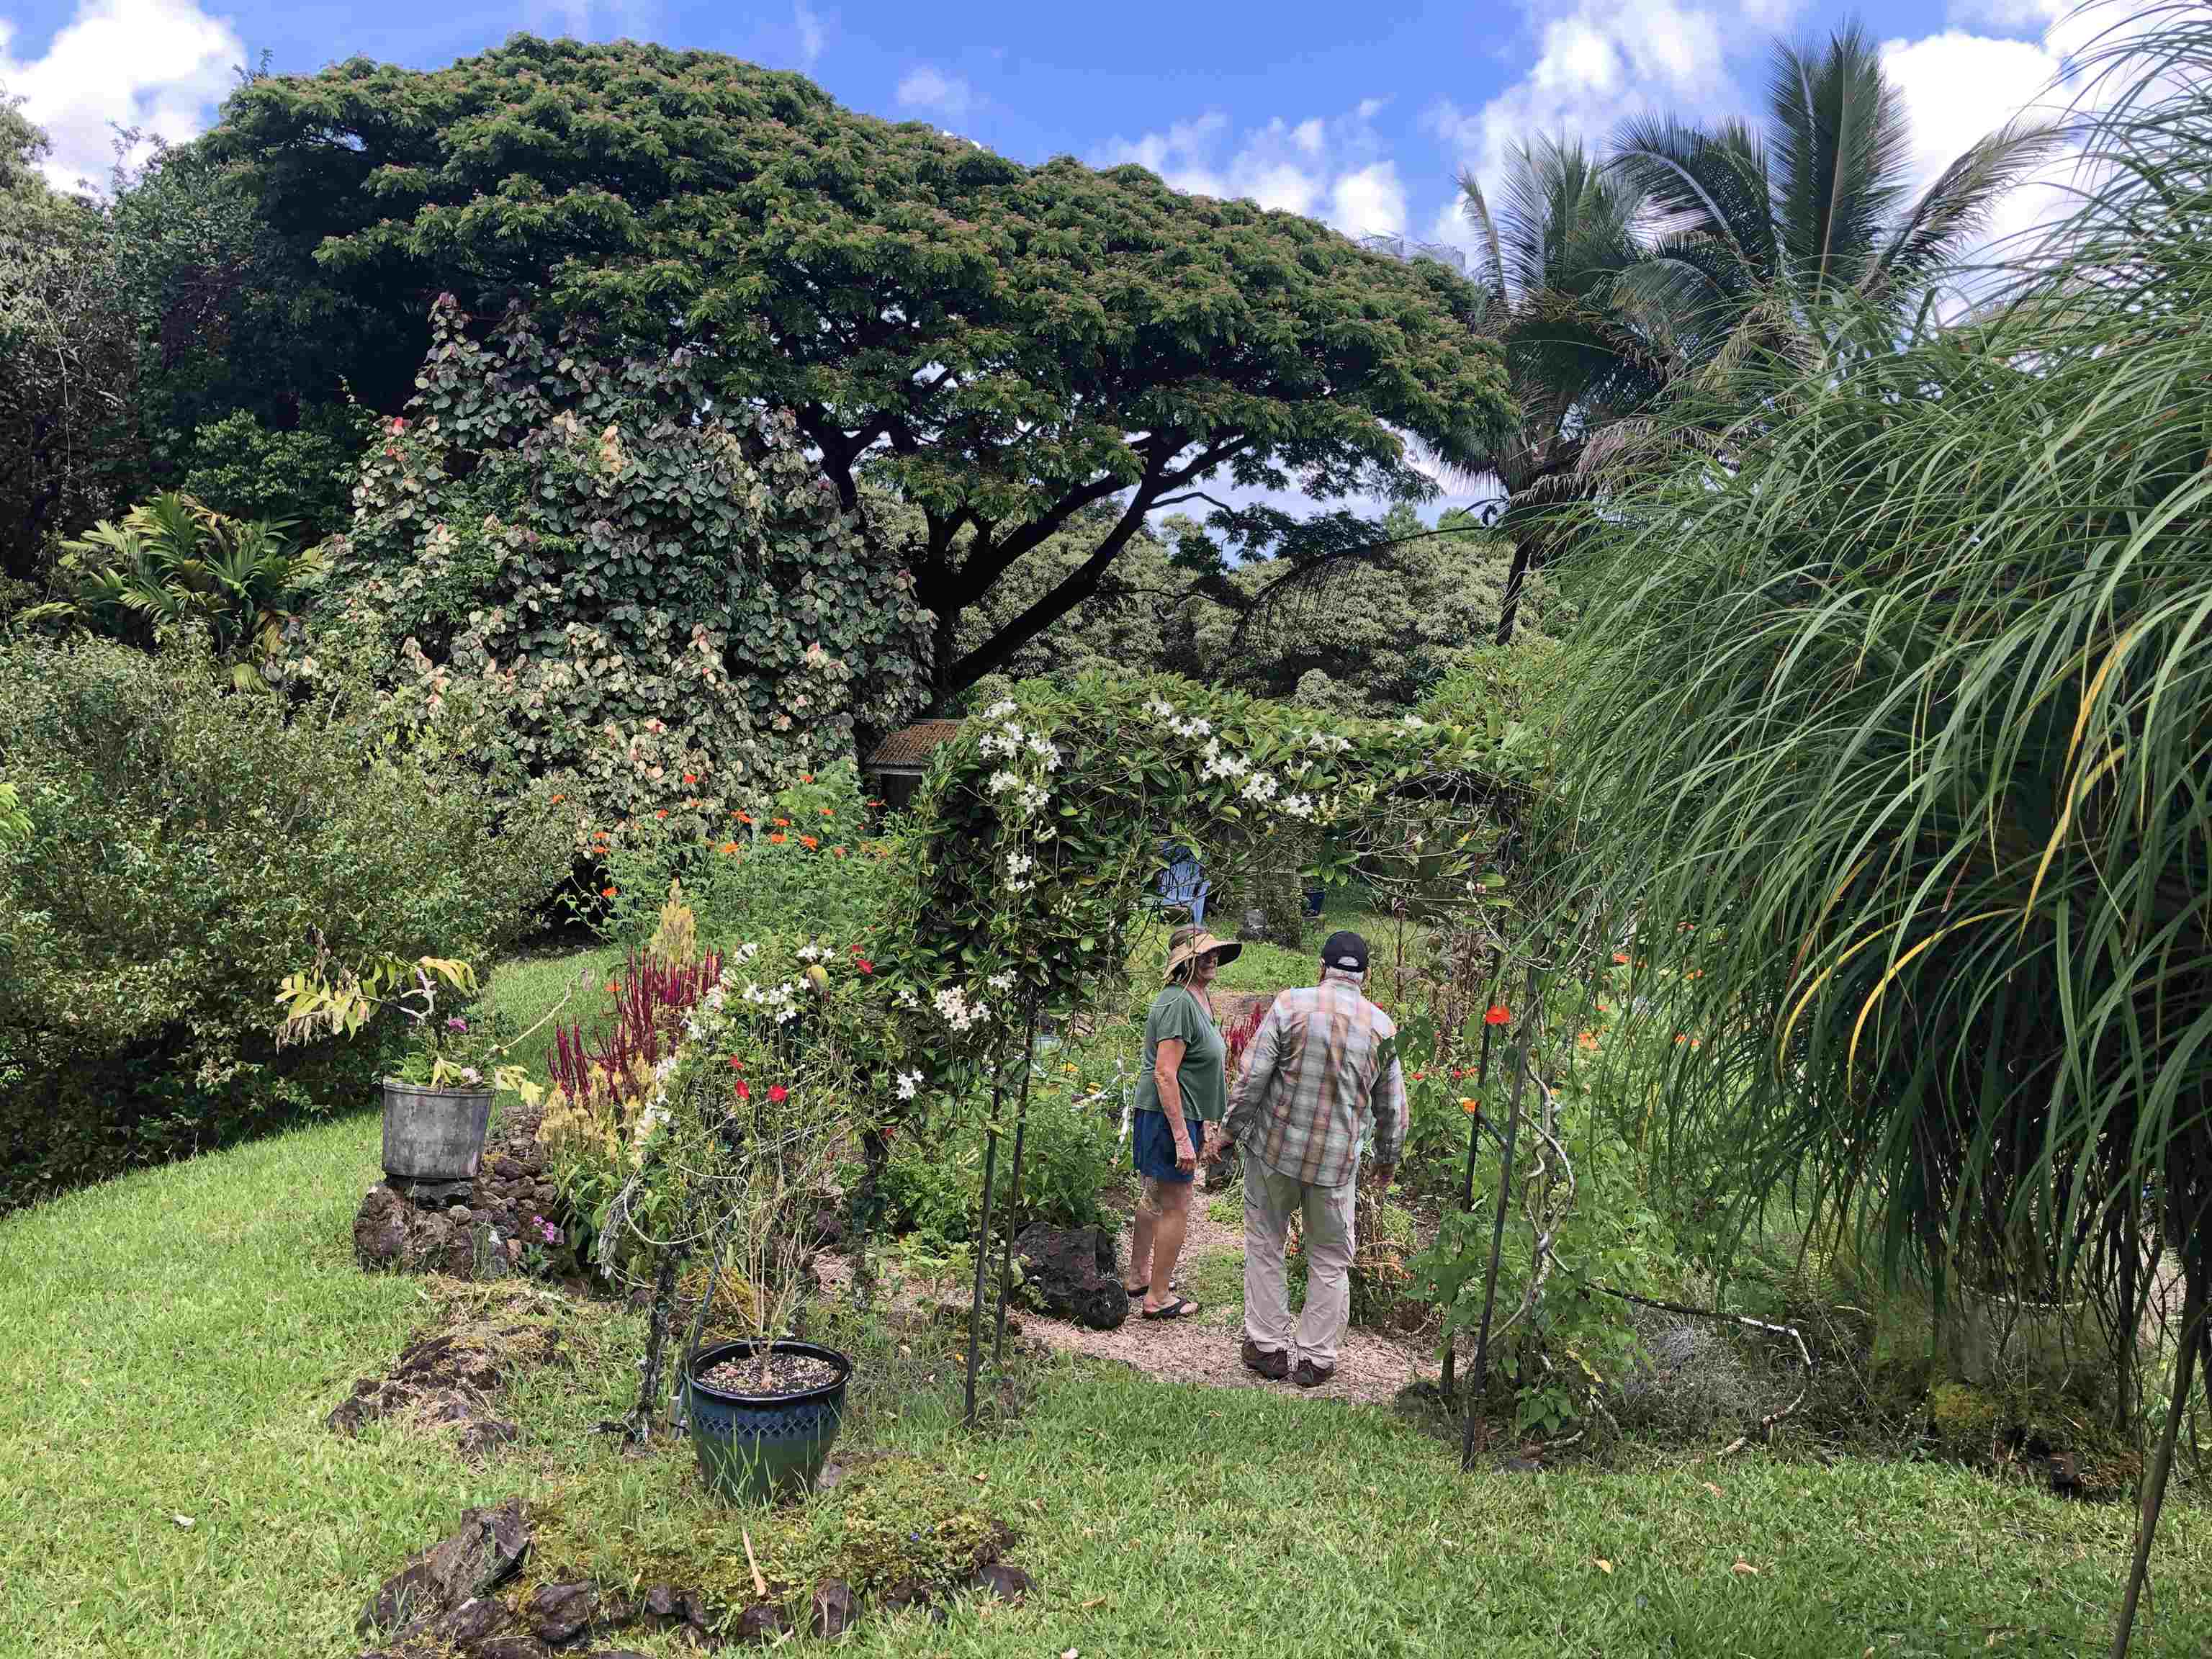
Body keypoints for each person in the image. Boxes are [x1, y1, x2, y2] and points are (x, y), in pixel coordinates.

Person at [1213, 928, 1403, 1387]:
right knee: (1330, 1257)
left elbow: (1252, 1078)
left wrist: (1228, 1133)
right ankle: (1316, 1358)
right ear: (1366, 977)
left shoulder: (1290, 1006)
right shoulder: (1382, 1028)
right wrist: (1387, 1159)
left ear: (1321, 967)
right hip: (1335, 1168)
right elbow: (1392, 1108)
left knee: (1265, 1243)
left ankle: (1268, 1347)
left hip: (1275, 1152)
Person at [1127, 923, 1239, 1319]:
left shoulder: (1197, 997)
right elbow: (1164, 1073)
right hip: (1166, 1114)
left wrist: (1205, 1123)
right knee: (1177, 1202)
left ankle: (1140, 1276)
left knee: (1155, 1194)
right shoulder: (1177, 1002)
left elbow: (1196, 1070)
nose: (1212, 959)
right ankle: (1158, 1298)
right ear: (1184, 962)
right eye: (1202, 954)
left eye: (1213, 953)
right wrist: (1182, 1138)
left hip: (1179, 1112)